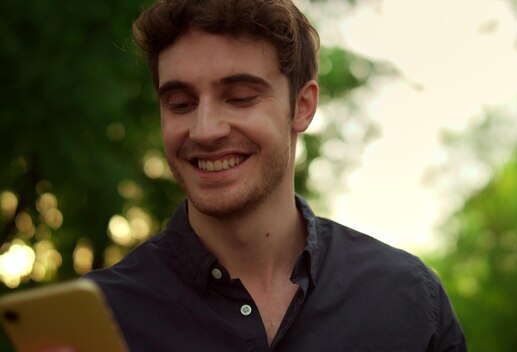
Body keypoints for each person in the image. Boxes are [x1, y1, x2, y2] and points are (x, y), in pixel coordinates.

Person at [85, 0, 467, 351]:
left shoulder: (409, 299)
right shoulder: (99, 319)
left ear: (302, 107)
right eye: (180, 104)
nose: (205, 130)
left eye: (240, 97)